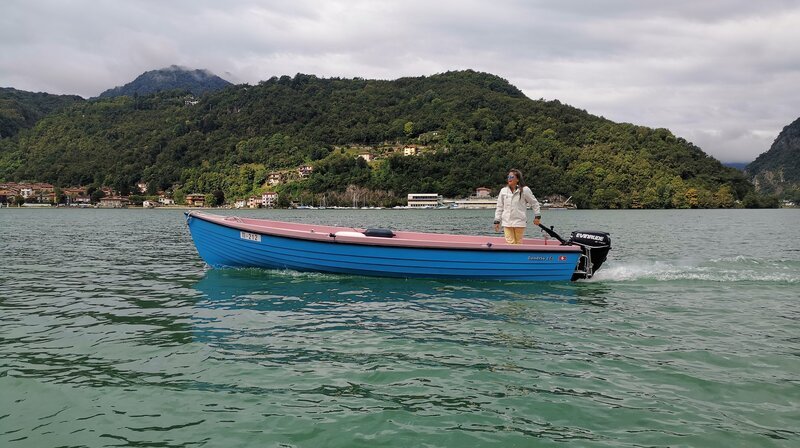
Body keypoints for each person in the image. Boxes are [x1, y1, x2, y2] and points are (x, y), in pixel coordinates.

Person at [493, 168, 541, 244]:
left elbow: (534, 203)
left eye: (512, 177)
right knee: (510, 242)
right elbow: (499, 207)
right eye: (508, 177)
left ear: (517, 179)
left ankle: (517, 255)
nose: (509, 178)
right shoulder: (503, 191)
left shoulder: (525, 190)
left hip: (519, 222)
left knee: (518, 242)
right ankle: (511, 255)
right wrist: (497, 221)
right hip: (507, 222)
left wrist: (537, 216)